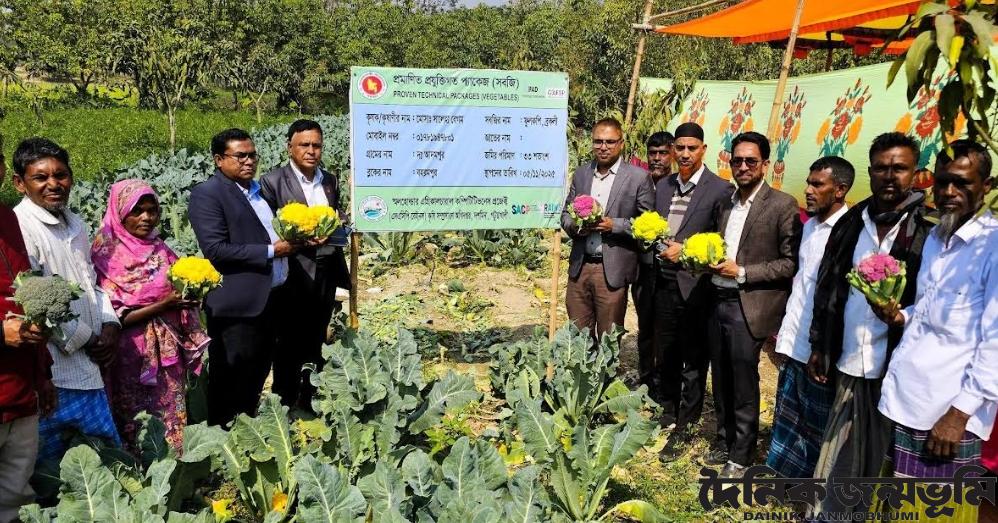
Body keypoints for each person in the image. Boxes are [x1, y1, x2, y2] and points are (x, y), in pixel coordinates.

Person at [807, 132, 934, 516]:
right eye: (881, 168)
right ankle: (827, 512)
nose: (889, 176)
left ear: (915, 173)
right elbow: (827, 286)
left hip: (895, 364)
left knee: (879, 455)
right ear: (870, 171)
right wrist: (820, 344)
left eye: (899, 168)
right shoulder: (851, 222)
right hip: (847, 357)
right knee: (838, 445)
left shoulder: (927, 229)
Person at [876, 140, 997, 520]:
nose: (948, 192)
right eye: (942, 182)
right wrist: (901, 316)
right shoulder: (936, 239)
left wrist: (959, 415)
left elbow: (995, 342)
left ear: (986, 186)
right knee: (896, 508)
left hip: (946, 413)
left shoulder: (992, 248)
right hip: (906, 398)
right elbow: (929, 310)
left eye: (961, 183)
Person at [11, 138, 122, 463]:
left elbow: (91, 283)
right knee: (56, 467)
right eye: (41, 177)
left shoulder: (75, 223)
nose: (53, 184)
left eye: (60, 175)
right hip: (55, 370)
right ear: (20, 183)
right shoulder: (21, 228)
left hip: (89, 364)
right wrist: (89, 338)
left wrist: (110, 323)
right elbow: (34, 302)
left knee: (100, 458)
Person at [706, 131, 801, 478]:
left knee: (743, 379)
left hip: (749, 304)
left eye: (750, 161)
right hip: (716, 297)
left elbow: (789, 263)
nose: (743, 167)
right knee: (720, 375)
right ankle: (724, 439)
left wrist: (743, 272)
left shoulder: (782, 204)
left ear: (765, 165)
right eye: (737, 161)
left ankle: (741, 454)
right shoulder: (725, 203)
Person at [188, 129, 298, 427]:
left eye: (252, 155)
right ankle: (223, 436)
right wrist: (272, 251)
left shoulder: (259, 192)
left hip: (269, 298)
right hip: (237, 305)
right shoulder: (208, 194)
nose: (249, 161)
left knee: (257, 370)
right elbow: (216, 249)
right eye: (240, 156)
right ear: (218, 159)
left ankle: (247, 429)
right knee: (230, 375)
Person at [91, 180, 209, 453]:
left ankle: (175, 466)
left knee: (170, 408)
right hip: (129, 354)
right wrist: (163, 304)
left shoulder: (160, 249)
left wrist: (192, 296)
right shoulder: (104, 255)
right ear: (120, 212)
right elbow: (109, 317)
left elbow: (181, 285)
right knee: (133, 416)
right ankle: (136, 467)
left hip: (167, 351)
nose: (146, 217)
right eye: (137, 211)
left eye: (152, 210)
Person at [635, 124, 734, 443]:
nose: (685, 154)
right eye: (680, 148)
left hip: (696, 287)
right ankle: (668, 408)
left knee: (694, 358)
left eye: (692, 148)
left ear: (703, 149)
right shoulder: (664, 186)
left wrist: (687, 249)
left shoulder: (720, 189)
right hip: (662, 282)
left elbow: (721, 239)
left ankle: (686, 423)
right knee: (666, 351)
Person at [765, 157, 854, 479]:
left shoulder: (848, 233)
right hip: (795, 334)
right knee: (789, 412)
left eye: (818, 184)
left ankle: (809, 485)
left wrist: (824, 345)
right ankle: (783, 476)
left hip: (820, 344)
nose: (808, 190)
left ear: (840, 190)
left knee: (817, 422)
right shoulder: (810, 227)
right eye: (808, 182)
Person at [260, 120, 351, 411]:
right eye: (304, 145)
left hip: (326, 268)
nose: (311, 151)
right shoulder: (272, 182)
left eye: (316, 145)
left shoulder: (330, 180)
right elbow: (267, 227)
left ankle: (311, 396)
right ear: (290, 147)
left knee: (317, 334)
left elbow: (336, 214)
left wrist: (340, 224)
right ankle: (284, 400)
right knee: (288, 339)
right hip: (292, 270)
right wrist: (298, 237)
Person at [561, 118, 654, 342]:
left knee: (608, 339)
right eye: (598, 141)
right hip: (580, 266)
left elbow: (648, 225)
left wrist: (615, 225)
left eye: (610, 142)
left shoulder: (638, 177)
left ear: (621, 143)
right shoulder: (582, 174)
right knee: (578, 336)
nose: (603, 147)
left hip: (612, 270)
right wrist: (577, 226)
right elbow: (565, 215)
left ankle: (606, 367)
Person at [0, 152, 54, 523]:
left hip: (20, 393)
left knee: (14, 499)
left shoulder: (7, 219)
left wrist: (42, 374)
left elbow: (23, 297)